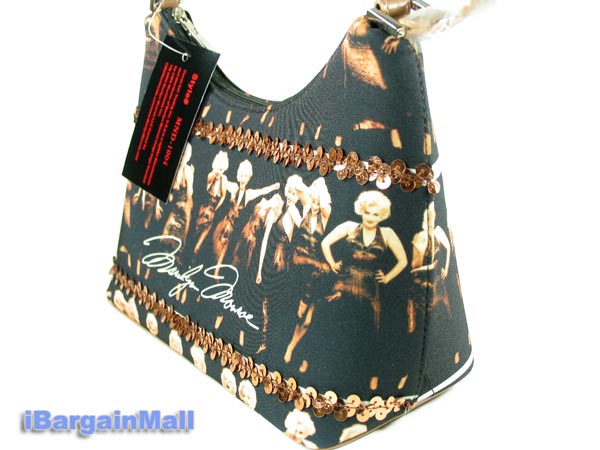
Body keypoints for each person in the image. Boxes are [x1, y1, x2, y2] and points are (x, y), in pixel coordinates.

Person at [321, 190, 407, 331]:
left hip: (369, 291)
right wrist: (332, 263)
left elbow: (403, 260)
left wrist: (387, 278)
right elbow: (325, 242)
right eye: (367, 212)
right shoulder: (349, 226)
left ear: (382, 216)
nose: (370, 217)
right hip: (343, 285)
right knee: (337, 328)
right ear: (361, 211)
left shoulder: (387, 233)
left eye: (375, 214)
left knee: (365, 330)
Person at [283, 178, 332, 364]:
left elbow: (324, 205)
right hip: (298, 266)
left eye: (319, 202)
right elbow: (294, 182)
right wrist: (311, 194)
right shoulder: (306, 208)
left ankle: (293, 347)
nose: (316, 206)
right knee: (294, 311)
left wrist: (319, 194)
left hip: (314, 271)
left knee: (305, 318)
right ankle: (287, 344)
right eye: (314, 202)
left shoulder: (325, 215)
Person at [212, 160, 279, 268]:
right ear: (238, 176)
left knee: (230, 252)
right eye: (242, 176)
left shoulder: (249, 194)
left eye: (246, 177)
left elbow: (261, 191)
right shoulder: (234, 187)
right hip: (224, 222)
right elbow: (223, 180)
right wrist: (217, 169)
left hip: (234, 228)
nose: (243, 179)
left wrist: (273, 187)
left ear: (248, 179)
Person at [407, 201, 452, 331]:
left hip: (433, 276)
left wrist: (446, 268)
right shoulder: (421, 236)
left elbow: (448, 248)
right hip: (423, 277)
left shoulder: (437, 232)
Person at [192, 151, 229, 257]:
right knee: (195, 231)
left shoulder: (224, 179)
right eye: (218, 169)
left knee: (202, 239)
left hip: (212, 212)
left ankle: (195, 253)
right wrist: (214, 173)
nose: (220, 172)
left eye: (222, 170)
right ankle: (191, 251)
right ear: (215, 167)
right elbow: (206, 188)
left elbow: (223, 196)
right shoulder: (211, 175)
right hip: (203, 209)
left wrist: (216, 208)